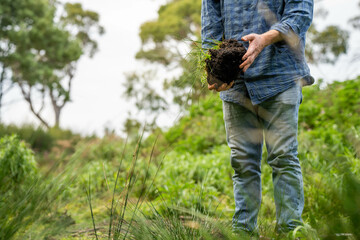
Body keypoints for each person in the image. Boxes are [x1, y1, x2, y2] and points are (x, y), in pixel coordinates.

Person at [201, 0, 314, 235]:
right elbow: (211, 28)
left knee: (283, 157)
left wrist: (265, 38)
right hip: (236, 83)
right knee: (242, 163)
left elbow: (300, 14)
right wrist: (213, 68)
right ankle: (243, 232)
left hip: (280, 76)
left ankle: (290, 230)